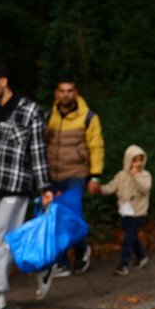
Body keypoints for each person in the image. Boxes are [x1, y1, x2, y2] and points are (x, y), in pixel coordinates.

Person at [0, 63, 54, 309]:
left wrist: (45, 187)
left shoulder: (29, 110)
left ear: (3, 81)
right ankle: (41, 265)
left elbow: (38, 150)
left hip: (18, 185)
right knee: (5, 241)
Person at [44, 78, 104, 276]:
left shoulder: (88, 117)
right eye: (62, 91)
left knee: (72, 215)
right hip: (52, 174)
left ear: (76, 93)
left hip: (76, 173)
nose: (66, 95)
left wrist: (95, 175)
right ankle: (60, 262)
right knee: (53, 216)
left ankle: (81, 249)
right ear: (56, 94)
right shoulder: (48, 117)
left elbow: (96, 146)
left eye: (69, 91)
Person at [100, 144, 152, 275]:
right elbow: (112, 187)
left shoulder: (144, 175)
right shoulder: (121, 175)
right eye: (135, 160)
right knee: (132, 236)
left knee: (129, 236)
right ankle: (141, 256)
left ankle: (123, 263)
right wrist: (100, 189)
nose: (138, 163)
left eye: (140, 160)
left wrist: (135, 176)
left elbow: (145, 188)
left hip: (138, 212)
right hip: (125, 211)